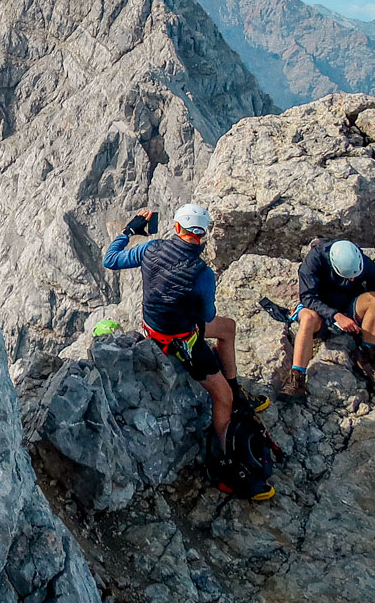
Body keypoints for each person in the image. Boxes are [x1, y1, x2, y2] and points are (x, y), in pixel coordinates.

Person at [104, 202, 271, 496]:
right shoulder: (202, 273)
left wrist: (130, 230)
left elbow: (111, 259)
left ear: (177, 228)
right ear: (203, 235)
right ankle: (229, 459)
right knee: (222, 397)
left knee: (228, 328)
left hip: (153, 329)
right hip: (182, 340)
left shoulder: (150, 249)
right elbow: (206, 316)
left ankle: (236, 388)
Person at [274, 239, 375, 398]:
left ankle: (367, 354)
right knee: (307, 318)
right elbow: (308, 298)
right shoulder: (313, 263)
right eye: (347, 277)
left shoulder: (358, 259)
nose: (351, 280)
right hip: (319, 311)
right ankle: (297, 378)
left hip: (348, 305)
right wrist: (335, 315)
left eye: (353, 277)